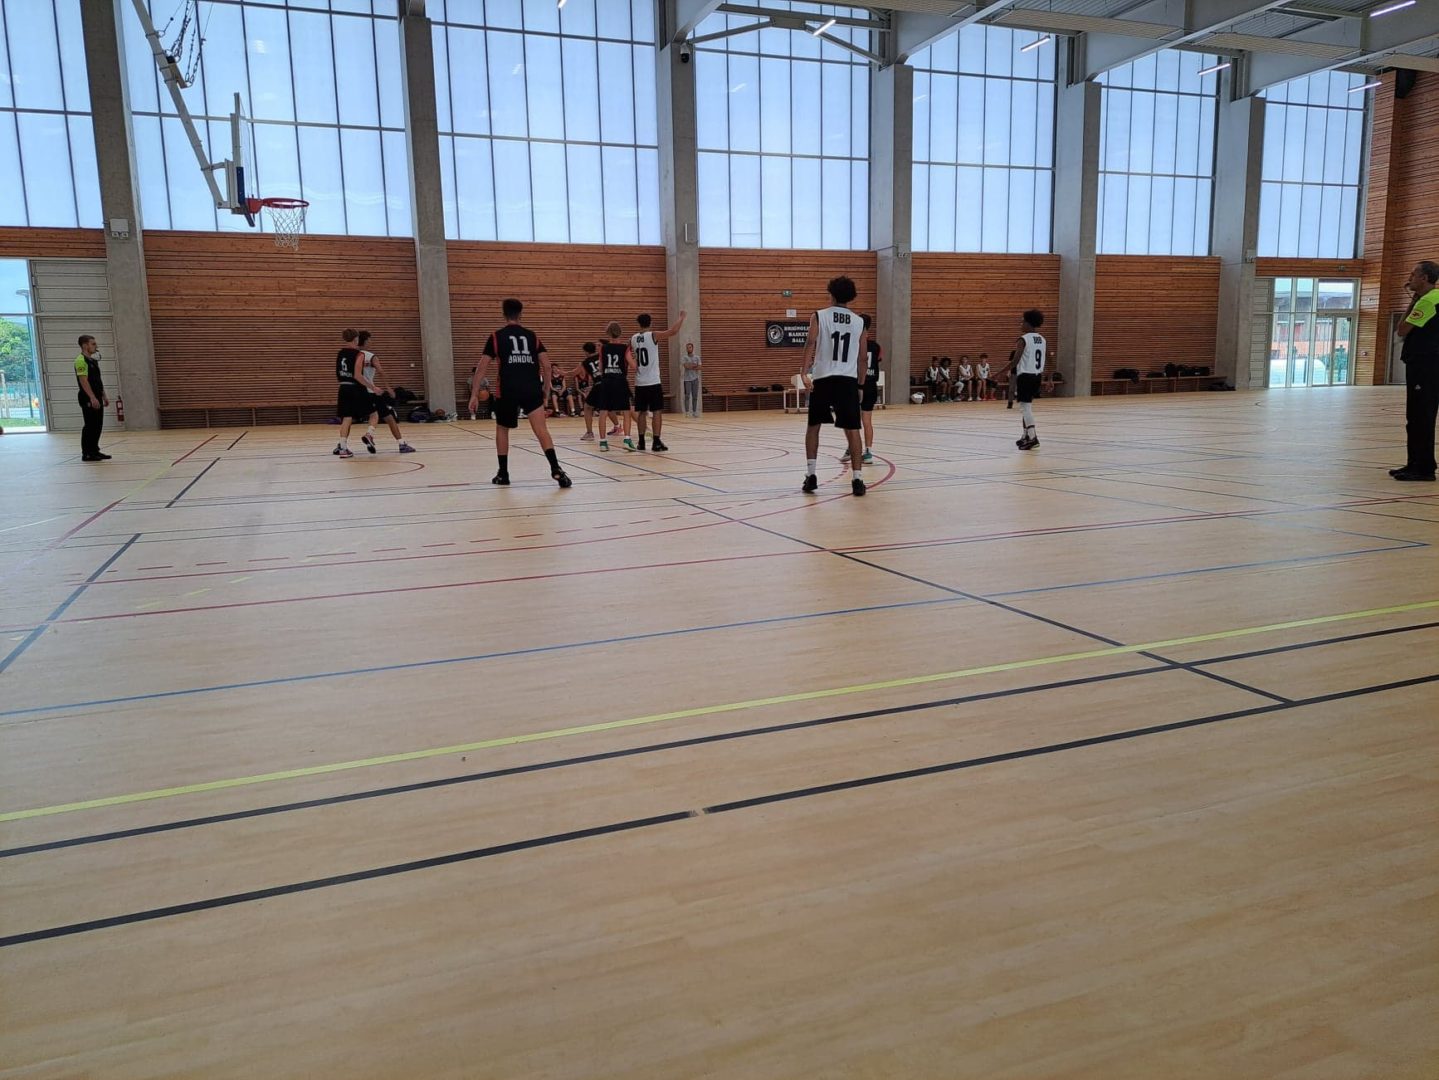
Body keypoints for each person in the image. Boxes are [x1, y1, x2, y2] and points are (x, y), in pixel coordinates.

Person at [467, 298, 572, 488]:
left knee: (502, 429)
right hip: (531, 388)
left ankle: (503, 474)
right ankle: (556, 468)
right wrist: (546, 391)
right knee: (541, 430)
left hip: (507, 389)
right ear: (521, 314)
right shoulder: (532, 336)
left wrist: (474, 394)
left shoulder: (496, 337)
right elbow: (547, 366)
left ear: (503, 314)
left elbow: (482, 367)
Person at [801, 275, 867, 497]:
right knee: (853, 430)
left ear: (831, 293)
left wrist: (804, 372)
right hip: (847, 380)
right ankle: (857, 479)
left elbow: (810, 343)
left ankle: (811, 476)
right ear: (851, 296)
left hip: (823, 379)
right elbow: (862, 358)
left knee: (814, 426)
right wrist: (860, 385)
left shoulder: (819, 316)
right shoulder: (859, 322)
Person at [1391, 261, 1439, 482]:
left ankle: (1423, 468)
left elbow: (1401, 329)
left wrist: (1413, 301)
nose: (1409, 278)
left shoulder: (1428, 301)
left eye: (1413, 274)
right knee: (1417, 417)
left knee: (1420, 416)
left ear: (1425, 278)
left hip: (1425, 366)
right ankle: (1416, 463)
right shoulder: (1431, 299)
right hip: (1426, 364)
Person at [631, 310, 686, 451]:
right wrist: (681, 318)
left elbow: (627, 355)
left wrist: (633, 364)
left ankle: (641, 442)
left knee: (641, 412)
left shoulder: (633, 338)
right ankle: (656, 441)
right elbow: (673, 331)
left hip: (639, 381)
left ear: (638, 323)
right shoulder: (653, 335)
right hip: (653, 381)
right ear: (650, 323)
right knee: (656, 411)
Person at [356, 331, 415, 454]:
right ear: (366, 341)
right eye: (370, 339)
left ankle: (342, 445)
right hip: (370, 391)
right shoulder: (370, 356)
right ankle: (401, 444)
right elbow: (381, 371)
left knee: (349, 418)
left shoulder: (352, 355)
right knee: (389, 417)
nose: (371, 342)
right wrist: (388, 388)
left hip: (355, 392)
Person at [332, 328, 378, 458]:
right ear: (356, 339)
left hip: (343, 387)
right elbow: (358, 375)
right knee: (374, 414)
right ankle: (369, 434)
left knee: (346, 418)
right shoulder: (359, 354)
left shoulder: (340, 353)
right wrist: (372, 387)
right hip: (355, 388)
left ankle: (343, 448)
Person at [843, 313, 879, 466]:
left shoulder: (854, 344)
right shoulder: (876, 346)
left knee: (849, 419)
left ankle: (852, 448)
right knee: (867, 421)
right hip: (872, 385)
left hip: (857, 384)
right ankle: (868, 452)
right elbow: (877, 361)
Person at [597, 321, 635, 452]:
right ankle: (627, 440)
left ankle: (603, 442)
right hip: (620, 381)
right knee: (626, 411)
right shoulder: (625, 348)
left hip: (607, 381)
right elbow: (633, 365)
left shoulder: (603, 348)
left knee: (603, 411)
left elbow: (600, 367)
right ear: (620, 333)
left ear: (608, 333)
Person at [1013, 309, 1047, 450]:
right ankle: (1025, 435)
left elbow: (1015, 361)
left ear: (1028, 323)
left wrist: (998, 374)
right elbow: (1049, 360)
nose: (1020, 324)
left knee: (1025, 408)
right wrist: (1049, 378)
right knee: (1026, 407)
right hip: (1037, 376)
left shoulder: (1023, 339)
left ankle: (1033, 438)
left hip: (1025, 376)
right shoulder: (1042, 339)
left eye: (1022, 321)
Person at [73, 335, 110, 462]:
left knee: (98, 424)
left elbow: (97, 380)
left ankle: (95, 450)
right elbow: (83, 381)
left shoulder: (93, 361)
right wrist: (92, 397)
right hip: (88, 397)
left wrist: (103, 395)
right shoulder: (80, 360)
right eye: (93, 344)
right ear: (85, 345)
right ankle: (87, 453)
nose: (96, 346)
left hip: (97, 396)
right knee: (90, 425)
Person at [575, 342, 602, 440]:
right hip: (609, 383)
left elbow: (574, 372)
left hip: (599, 385)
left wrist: (563, 372)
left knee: (587, 407)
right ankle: (643, 428)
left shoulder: (586, 362)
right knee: (625, 408)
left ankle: (590, 433)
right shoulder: (601, 356)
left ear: (586, 351)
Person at [682, 341, 702, 417]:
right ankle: (687, 412)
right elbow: (686, 366)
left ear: (692, 348)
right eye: (687, 348)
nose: (688, 349)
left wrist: (692, 366)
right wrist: (694, 365)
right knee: (687, 395)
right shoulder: (684, 357)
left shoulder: (697, 357)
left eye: (690, 347)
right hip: (687, 379)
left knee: (695, 396)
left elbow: (700, 367)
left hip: (695, 379)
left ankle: (694, 411)